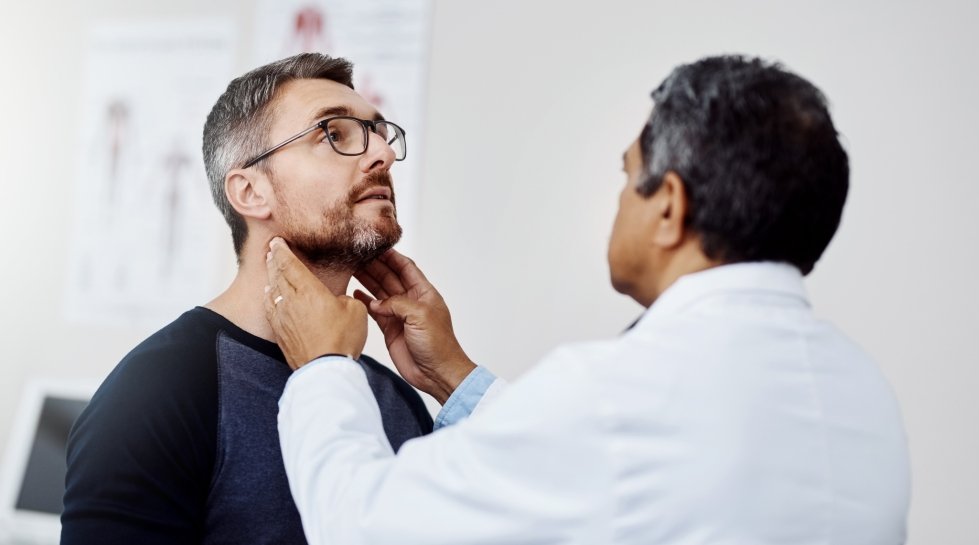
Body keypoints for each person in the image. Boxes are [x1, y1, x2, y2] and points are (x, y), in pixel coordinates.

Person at [265, 55, 911, 544]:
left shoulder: (621, 395)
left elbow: (361, 526)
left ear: (668, 206)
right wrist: (455, 377)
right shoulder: (863, 390)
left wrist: (324, 367)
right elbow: (626, 473)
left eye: (628, 176)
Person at [61, 53, 435, 545]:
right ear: (251, 192)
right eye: (333, 134)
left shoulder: (401, 402)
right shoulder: (155, 393)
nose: (382, 154)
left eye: (380, 133)